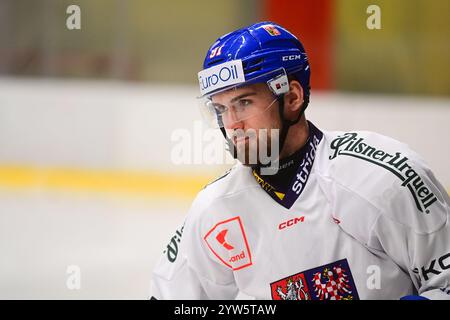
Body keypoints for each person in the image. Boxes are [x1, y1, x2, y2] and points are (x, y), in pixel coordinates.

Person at [150, 21, 450, 300]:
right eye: (220, 108)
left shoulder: (379, 179)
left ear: (292, 97)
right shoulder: (213, 212)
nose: (232, 124)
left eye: (244, 102)